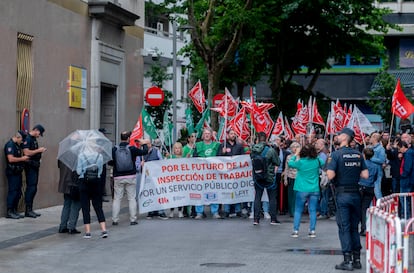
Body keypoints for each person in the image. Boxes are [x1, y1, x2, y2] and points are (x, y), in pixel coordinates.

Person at [327, 128, 368, 271]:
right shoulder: (358, 155)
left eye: (339, 135)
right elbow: (365, 175)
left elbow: (330, 176)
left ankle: (347, 259)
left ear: (345, 137)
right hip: (356, 194)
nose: (337, 136)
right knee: (354, 228)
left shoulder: (336, 154)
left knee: (344, 227)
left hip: (342, 194)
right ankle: (357, 259)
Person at [109, 131, 149, 225]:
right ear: (128, 138)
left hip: (118, 177)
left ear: (121, 138)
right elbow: (145, 152)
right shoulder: (132, 148)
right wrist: (143, 144)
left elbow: (109, 161)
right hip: (131, 176)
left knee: (117, 199)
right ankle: (133, 219)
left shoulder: (114, 149)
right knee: (131, 198)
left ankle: (115, 220)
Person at [288, 144, 324, 238]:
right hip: (314, 188)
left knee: (298, 210)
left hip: (301, 188)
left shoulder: (301, 162)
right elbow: (323, 163)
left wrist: (296, 154)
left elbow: (290, 163)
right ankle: (312, 230)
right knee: (312, 210)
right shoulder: (316, 161)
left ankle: (296, 230)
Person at [76, 145, 107, 239]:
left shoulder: (81, 156)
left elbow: (78, 171)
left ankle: (88, 232)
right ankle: (104, 230)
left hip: (84, 183)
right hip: (96, 183)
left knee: (85, 208)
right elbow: (100, 172)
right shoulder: (100, 156)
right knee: (98, 207)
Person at [251, 131, 281, 226]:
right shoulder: (270, 150)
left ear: (257, 139)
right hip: (269, 177)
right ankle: (273, 219)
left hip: (258, 176)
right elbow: (278, 162)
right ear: (266, 139)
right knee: (272, 198)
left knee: (257, 197)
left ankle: (256, 219)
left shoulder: (253, 150)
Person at [193, 128, 221, 219]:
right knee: (199, 191)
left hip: (213, 173)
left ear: (212, 135)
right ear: (203, 135)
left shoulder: (217, 145)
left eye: (209, 133)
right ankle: (199, 212)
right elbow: (194, 159)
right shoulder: (197, 145)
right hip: (201, 174)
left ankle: (215, 211)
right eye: (205, 133)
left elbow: (220, 158)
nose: (207, 135)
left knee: (214, 191)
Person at [138, 138, 168, 220]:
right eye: (145, 144)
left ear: (150, 144)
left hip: (156, 176)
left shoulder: (156, 151)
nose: (147, 145)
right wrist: (141, 165)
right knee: (149, 193)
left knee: (159, 193)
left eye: (148, 144)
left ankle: (161, 211)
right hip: (146, 178)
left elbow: (161, 162)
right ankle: (150, 211)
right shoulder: (140, 154)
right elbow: (137, 166)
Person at [217, 129, 245, 218]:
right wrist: (222, 152)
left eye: (234, 134)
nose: (233, 135)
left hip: (236, 173)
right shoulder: (222, 146)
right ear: (228, 135)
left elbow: (243, 159)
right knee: (227, 191)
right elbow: (217, 158)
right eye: (231, 134)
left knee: (237, 190)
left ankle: (238, 210)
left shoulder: (239, 146)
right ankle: (226, 210)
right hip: (226, 173)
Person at [22, 124, 46, 218]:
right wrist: (38, 150)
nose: (39, 135)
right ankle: (28, 210)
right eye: (39, 133)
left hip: (35, 166)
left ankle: (30, 209)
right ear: (36, 130)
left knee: (34, 188)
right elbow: (26, 152)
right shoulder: (28, 139)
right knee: (31, 187)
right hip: (30, 166)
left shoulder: (34, 139)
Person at [4, 132, 29, 219]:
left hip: (17, 172)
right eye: (21, 140)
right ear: (18, 137)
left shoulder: (17, 145)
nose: (22, 142)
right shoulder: (10, 145)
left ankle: (14, 210)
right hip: (12, 172)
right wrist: (22, 158)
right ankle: (9, 211)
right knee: (13, 192)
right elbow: (10, 159)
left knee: (18, 192)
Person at [358, 147, 379, 236]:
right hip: (370, 187)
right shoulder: (375, 166)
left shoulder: (361, 164)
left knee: (359, 208)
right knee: (365, 208)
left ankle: (361, 227)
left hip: (361, 186)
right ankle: (364, 227)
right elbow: (376, 178)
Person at [58, 160, 81, 234]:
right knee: (75, 205)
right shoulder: (77, 156)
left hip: (64, 183)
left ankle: (63, 226)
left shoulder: (63, 156)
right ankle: (71, 227)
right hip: (74, 184)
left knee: (66, 204)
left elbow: (59, 166)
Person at [168, 142, 185, 218]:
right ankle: (171, 211)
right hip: (172, 180)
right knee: (172, 196)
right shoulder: (171, 157)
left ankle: (180, 211)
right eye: (176, 148)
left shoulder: (183, 157)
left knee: (180, 196)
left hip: (181, 180)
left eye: (178, 148)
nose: (177, 150)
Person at [283, 142, 301, 217]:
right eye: (293, 147)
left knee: (298, 195)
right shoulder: (289, 157)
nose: (295, 148)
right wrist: (285, 179)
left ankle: (298, 210)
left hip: (299, 178)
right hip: (291, 177)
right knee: (291, 195)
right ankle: (292, 211)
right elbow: (286, 168)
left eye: (297, 146)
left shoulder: (301, 157)